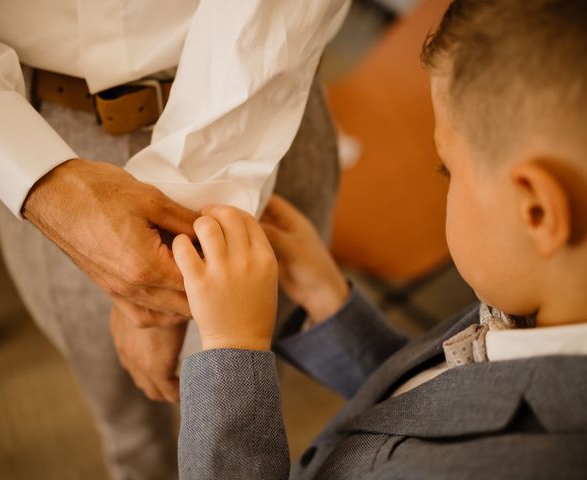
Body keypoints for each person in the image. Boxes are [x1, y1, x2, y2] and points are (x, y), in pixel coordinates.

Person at [174, 0, 587, 478]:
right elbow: (438, 402)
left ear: (534, 209)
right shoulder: (548, 291)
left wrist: (232, 350)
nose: (444, 180)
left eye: (447, 169)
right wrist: (333, 305)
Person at [0, 0, 349, 478]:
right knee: (128, 426)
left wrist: (179, 226)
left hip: (266, 113)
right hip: (47, 130)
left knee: (255, 399)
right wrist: (36, 173)